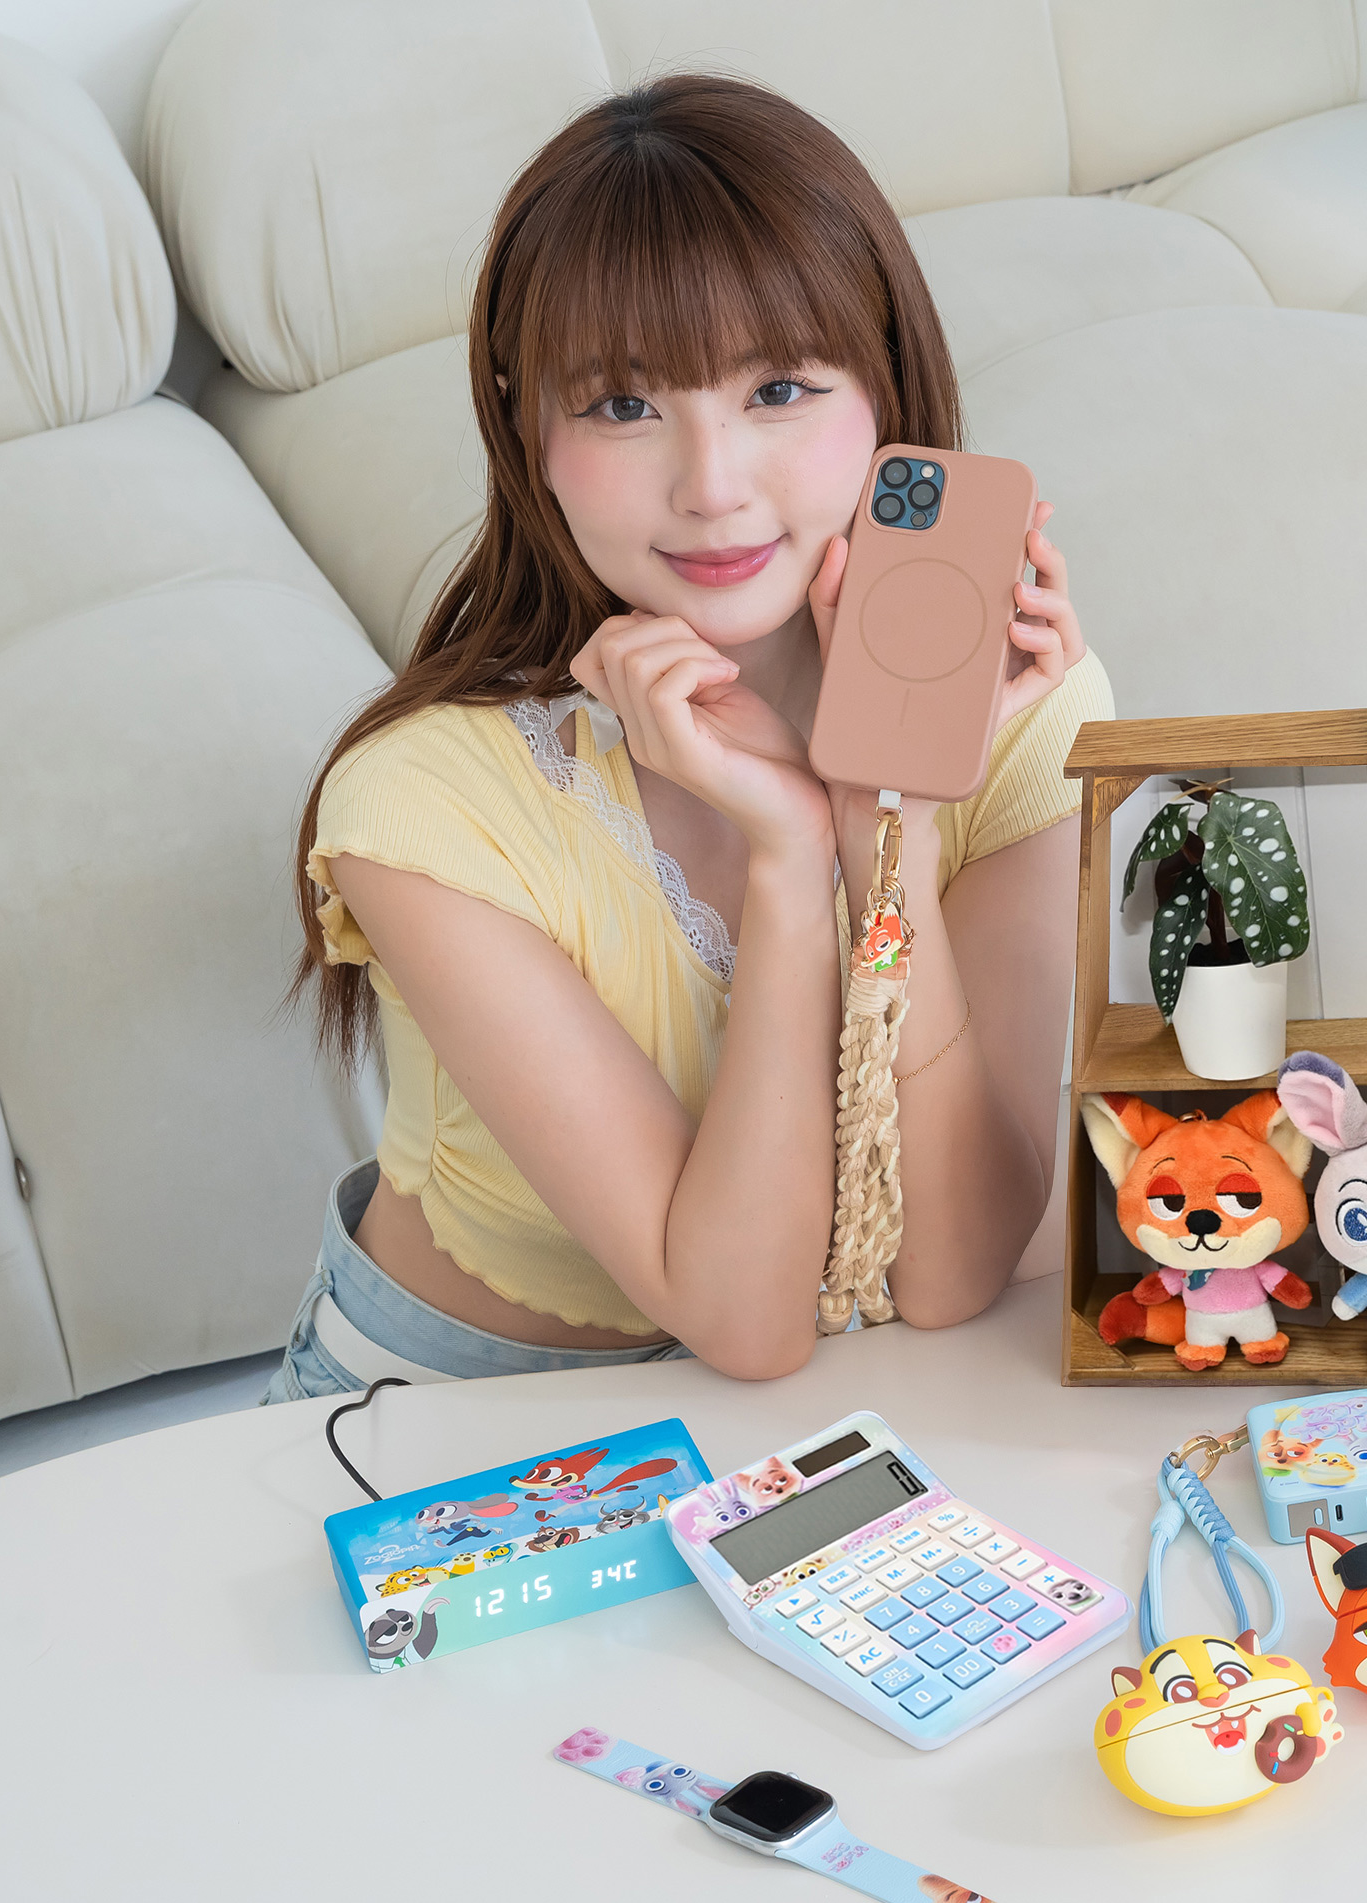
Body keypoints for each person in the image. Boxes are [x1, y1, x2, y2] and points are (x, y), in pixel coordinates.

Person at [266, 74, 1112, 1400]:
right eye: (623, 406)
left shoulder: (1021, 707)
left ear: (884, 390)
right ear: (525, 426)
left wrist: (883, 822)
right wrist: (788, 858)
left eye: (780, 388)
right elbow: (745, 1321)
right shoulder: (422, 804)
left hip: (834, 1400)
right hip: (450, 1426)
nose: (713, 487)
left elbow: (951, 1270)